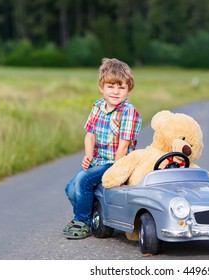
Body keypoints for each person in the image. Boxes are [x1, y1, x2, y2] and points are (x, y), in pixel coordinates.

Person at [64, 58, 142, 239]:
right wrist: (89, 155)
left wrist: (116, 172)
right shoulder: (97, 107)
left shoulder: (129, 113)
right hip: (98, 160)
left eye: (121, 87)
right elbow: (90, 134)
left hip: (115, 163)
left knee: (83, 181)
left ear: (129, 89)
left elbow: (123, 147)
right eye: (110, 86)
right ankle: (91, 216)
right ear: (102, 87)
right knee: (70, 189)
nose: (115, 92)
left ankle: (82, 222)